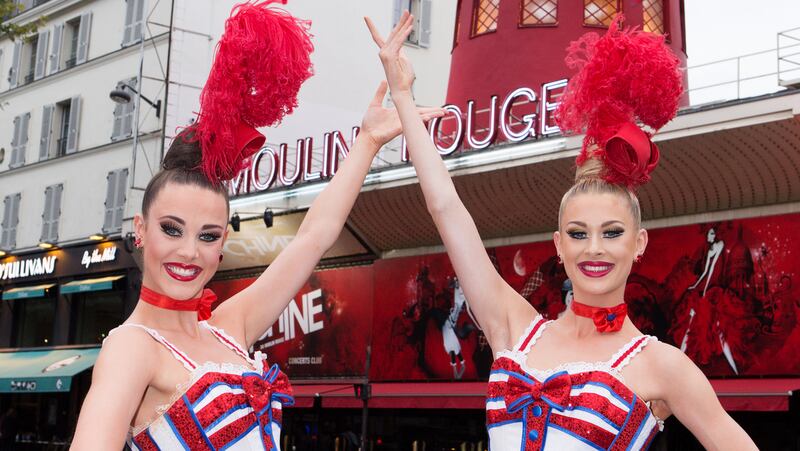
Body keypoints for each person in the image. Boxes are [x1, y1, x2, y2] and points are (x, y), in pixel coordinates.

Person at [366, 12, 758, 450]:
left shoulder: (662, 365)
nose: (594, 249)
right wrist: (403, 96)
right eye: (577, 233)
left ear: (639, 243)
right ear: (558, 245)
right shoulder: (513, 328)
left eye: (612, 233)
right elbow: (445, 208)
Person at [70, 3, 444, 449]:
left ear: (223, 242)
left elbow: (315, 235)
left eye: (207, 235)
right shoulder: (132, 347)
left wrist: (366, 142)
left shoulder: (230, 328)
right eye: (172, 229)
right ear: (140, 229)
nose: (189, 252)